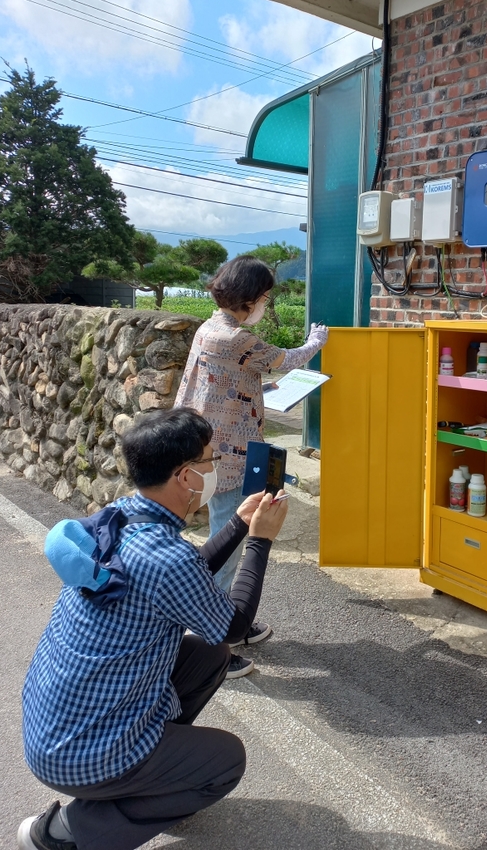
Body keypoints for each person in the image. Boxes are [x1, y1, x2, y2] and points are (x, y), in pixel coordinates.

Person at [19, 407, 288, 850]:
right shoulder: (166, 557)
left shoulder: (121, 516)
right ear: (186, 477)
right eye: (208, 459)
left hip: (54, 727)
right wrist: (261, 539)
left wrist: (239, 523)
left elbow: (187, 583)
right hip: (78, 752)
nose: (213, 468)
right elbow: (235, 625)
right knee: (226, 760)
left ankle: (152, 775)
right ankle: (67, 833)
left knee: (206, 653)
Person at [175, 255, 328, 677]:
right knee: (228, 540)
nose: (264, 303)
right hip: (227, 453)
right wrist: (317, 341)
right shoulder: (235, 339)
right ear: (250, 297)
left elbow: (236, 378)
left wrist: (268, 387)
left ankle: (231, 625)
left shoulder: (212, 328)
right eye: (263, 297)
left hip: (214, 444)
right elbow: (286, 358)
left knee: (227, 535)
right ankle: (210, 646)